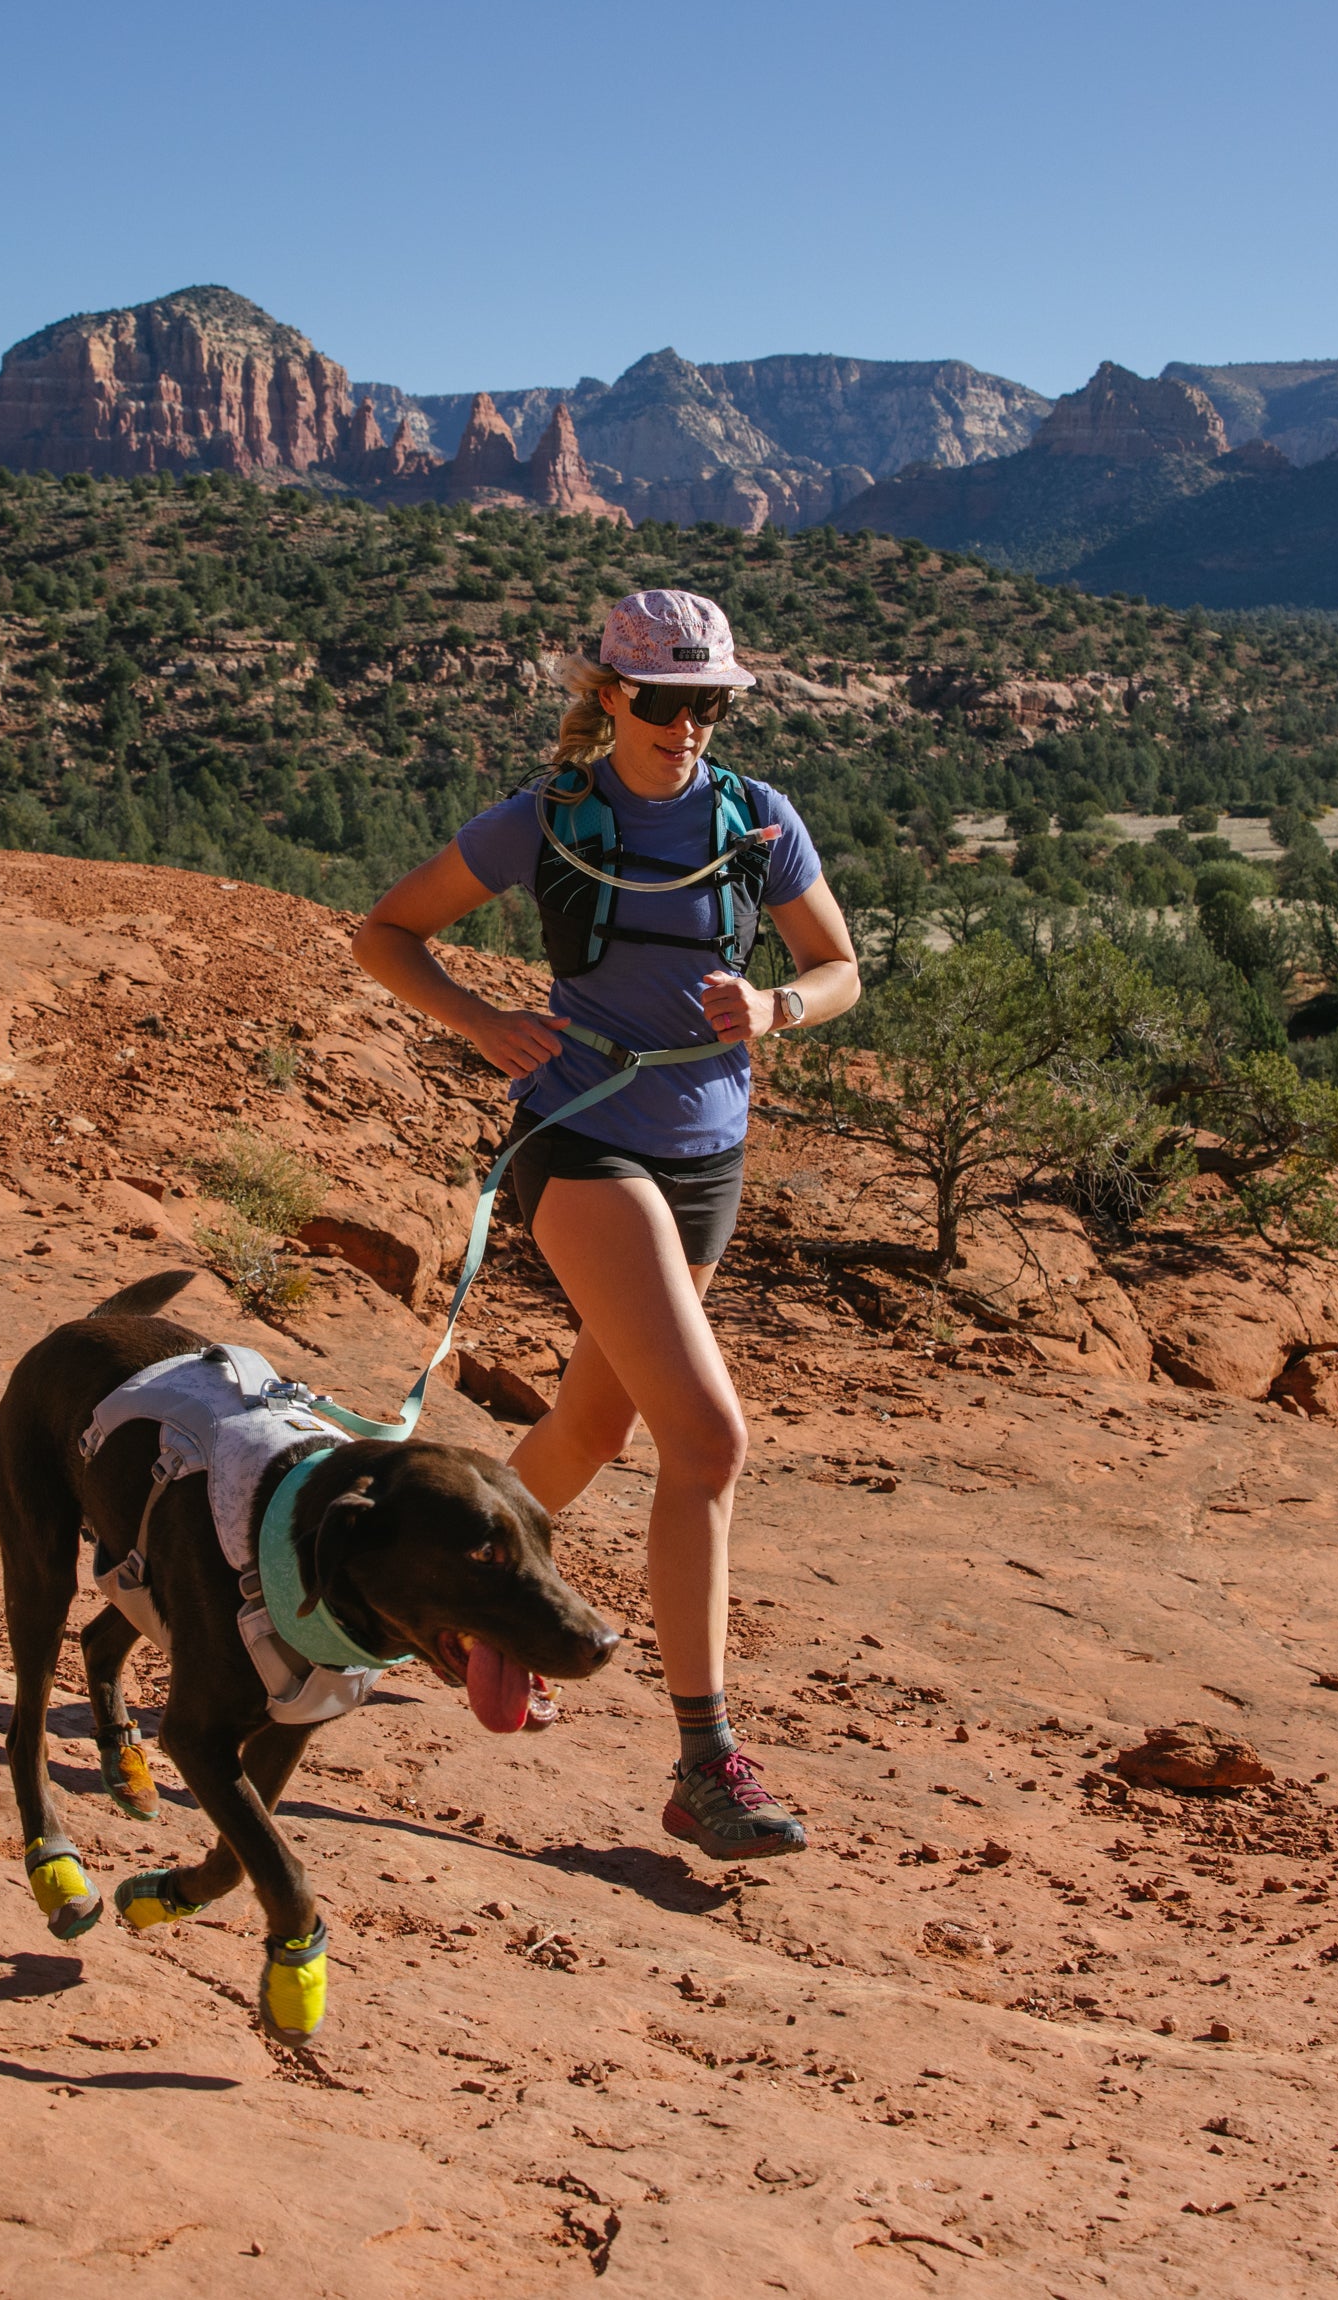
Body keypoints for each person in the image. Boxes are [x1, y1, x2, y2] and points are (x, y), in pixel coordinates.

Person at [351, 588, 860, 1859]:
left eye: (712, 704)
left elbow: (841, 966)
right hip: (583, 1140)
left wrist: (781, 1008)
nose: (688, 725)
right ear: (613, 694)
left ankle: (393, 1596)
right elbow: (388, 932)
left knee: (592, 1421)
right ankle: (705, 1759)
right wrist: (479, 1021)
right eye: (667, 700)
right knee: (707, 1438)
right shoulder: (550, 817)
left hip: (708, 1158)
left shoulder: (757, 819)